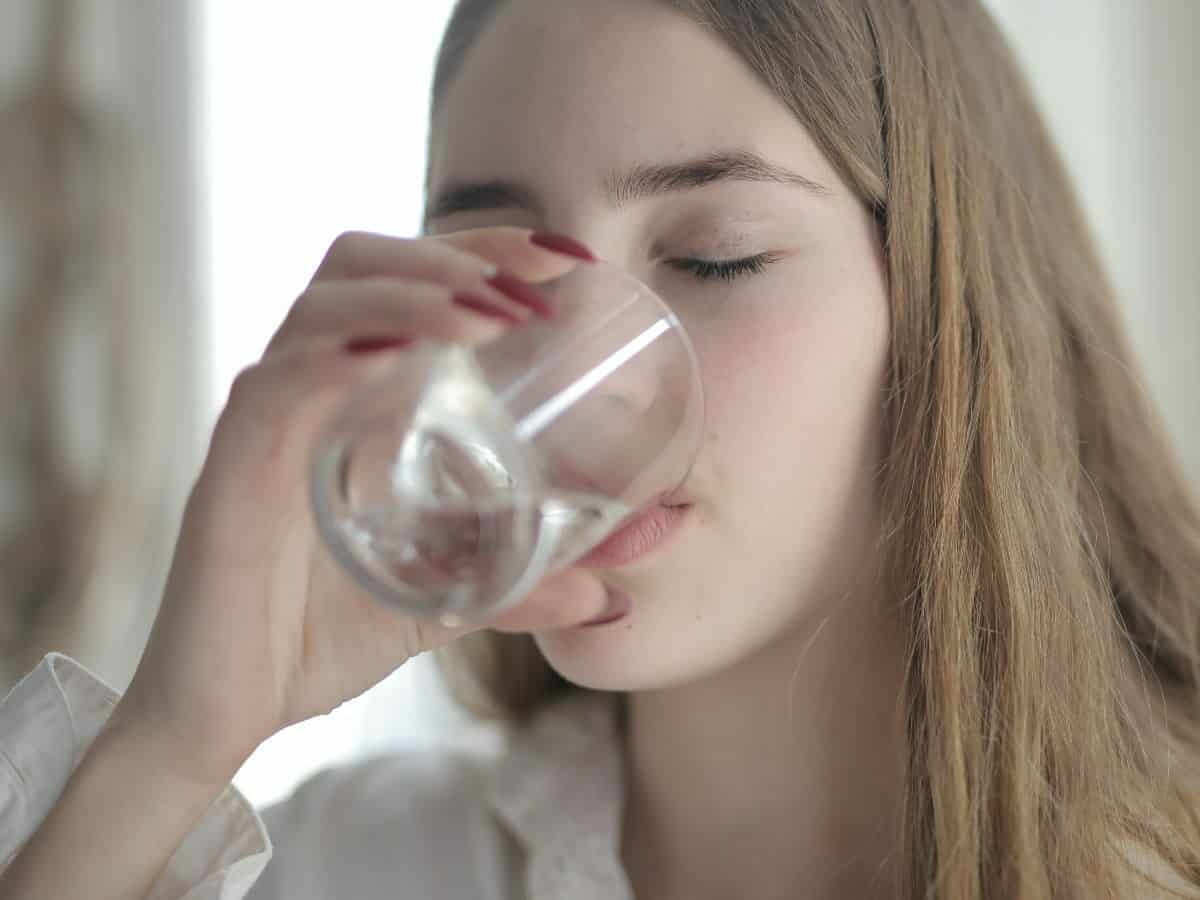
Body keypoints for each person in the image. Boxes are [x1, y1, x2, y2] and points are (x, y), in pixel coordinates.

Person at [3, 0, 1199, 897]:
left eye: (717, 256)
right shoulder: (359, 868)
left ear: (946, 302)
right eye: (497, 276)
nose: (581, 403)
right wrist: (171, 743)